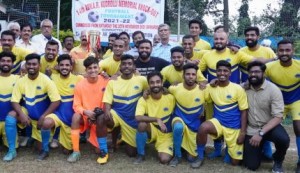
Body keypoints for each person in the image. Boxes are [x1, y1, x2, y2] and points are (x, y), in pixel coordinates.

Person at [193, 60, 248, 168]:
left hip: (234, 126)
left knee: (234, 163)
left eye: (225, 71)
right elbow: (203, 96)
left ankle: (228, 150)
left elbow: (244, 111)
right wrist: (207, 84)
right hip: (218, 123)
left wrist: (242, 132)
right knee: (203, 128)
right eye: (219, 71)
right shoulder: (211, 87)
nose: (222, 73)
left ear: (230, 73)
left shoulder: (238, 89)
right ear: (216, 72)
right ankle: (199, 156)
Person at [5, 53, 61, 161]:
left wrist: (43, 116)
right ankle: (12, 151)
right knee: (11, 116)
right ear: (25, 66)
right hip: (28, 115)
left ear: (39, 66)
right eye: (29, 64)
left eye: (34, 64)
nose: (31, 66)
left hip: (42, 117)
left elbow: (56, 101)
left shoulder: (46, 80)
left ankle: (45, 150)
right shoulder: (21, 81)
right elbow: (14, 101)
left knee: (38, 148)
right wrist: (21, 114)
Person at [97, 54, 148, 164]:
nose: (126, 66)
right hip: (118, 114)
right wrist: (106, 111)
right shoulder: (113, 82)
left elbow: (151, 92)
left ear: (134, 67)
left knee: (131, 153)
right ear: (120, 67)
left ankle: (124, 139)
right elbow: (107, 101)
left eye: (129, 64)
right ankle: (104, 151)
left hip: (133, 119)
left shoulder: (142, 80)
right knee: (101, 118)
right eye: (124, 64)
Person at [243, 61, 290, 172]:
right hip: (252, 128)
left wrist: (261, 133)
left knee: (283, 139)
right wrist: (214, 81)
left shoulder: (273, 90)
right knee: (251, 165)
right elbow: (229, 87)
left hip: (270, 127)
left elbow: (278, 116)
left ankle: (278, 161)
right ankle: (259, 151)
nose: (253, 74)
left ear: (264, 73)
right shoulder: (243, 88)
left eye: (257, 72)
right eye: (251, 72)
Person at [264, 40, 300, 173]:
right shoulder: (270, 67)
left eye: (287, 50)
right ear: (277, 52)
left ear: (293, 51)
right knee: (270, 127)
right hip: (278, 102)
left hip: (297, 100)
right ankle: (276, 160)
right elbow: (254, 79)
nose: (284, 53)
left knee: (299, 126)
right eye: (281, 50)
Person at [39, 54, 83, 159]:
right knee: (46, 122)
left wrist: (104, 75)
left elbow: (92, 80)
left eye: (67, 65)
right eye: (62, 65)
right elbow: (37, 78)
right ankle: (45, 150)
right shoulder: (51, 78)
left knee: (66, 151)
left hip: (72, 118)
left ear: (71, 67)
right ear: (58, 66)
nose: (64, 67)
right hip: (58, 114)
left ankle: (71, 141)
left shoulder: (79, 79)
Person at [67, 57, 109, 163]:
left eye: (95, 67)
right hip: (86, 115)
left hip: (100, 117)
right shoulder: (80, 85)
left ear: (99, 68)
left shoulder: (106, 80)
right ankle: (76, 151)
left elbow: (118, 80)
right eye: (90, 68)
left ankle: (99, 142)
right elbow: (76, 105)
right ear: (86, 70)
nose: (93, 70)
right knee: (76, 116)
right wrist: (86, 112)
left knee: (98, 150)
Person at [168, 63, 207, 167]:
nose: (190, 76)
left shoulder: (203, 90)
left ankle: (186, 148)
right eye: (188, 74)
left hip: (194, 124)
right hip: (179, 118)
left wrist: (204, 115)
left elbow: (209, 104)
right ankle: (177, 156)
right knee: (178, 127)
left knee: (191, 159)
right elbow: (163, 92)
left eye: (193, 74)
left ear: (196, 76)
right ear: (183, 75)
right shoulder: (174, 88)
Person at [134, 71, 175, 164]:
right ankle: (141, 155)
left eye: (157, 82)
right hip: (153, 130)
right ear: (148, 84)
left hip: (166, 133)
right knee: (142, 124)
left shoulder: (170, 97)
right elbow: (138, 117)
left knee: (164, 160)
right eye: (152, 82)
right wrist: (157, 119)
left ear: (162, 83)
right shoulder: (144, 99)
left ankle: (173, 146)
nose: (155, 84)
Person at [0, 52, 19, 161]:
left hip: (10, 120)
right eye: (3, 61)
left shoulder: (18, 79)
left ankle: (12, 150)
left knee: (12, 145)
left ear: (13, 63)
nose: (5, 63)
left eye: (8, 61)